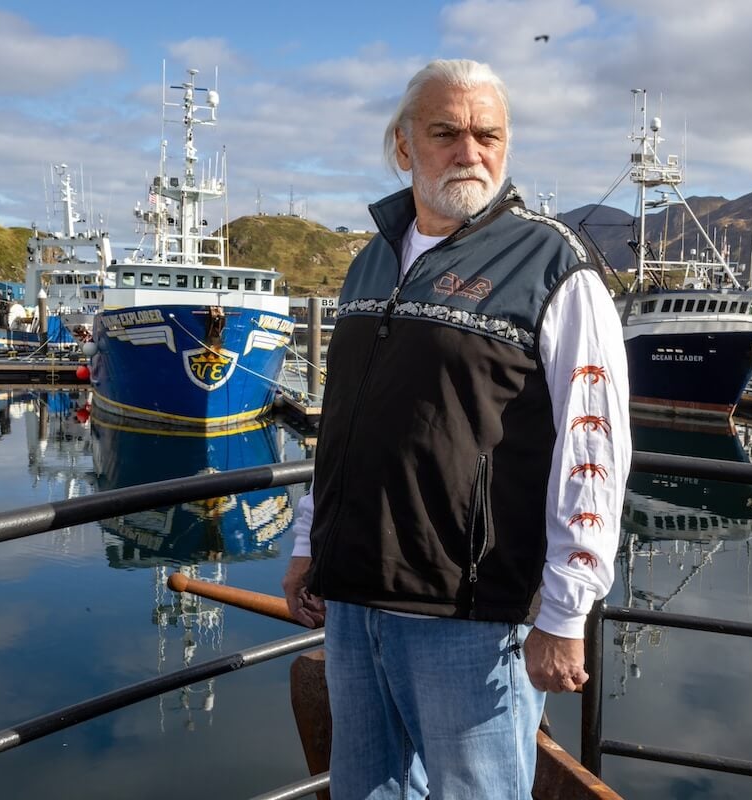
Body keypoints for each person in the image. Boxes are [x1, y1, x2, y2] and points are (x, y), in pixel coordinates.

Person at [282, 58, 631, 800]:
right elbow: (340, 419)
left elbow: (592, 445)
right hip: (352, 602)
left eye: (487, 134)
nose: (469, 152)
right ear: (404, 146)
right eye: (446, 133)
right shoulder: (370, 261)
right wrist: (310, 541)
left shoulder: (555, 268)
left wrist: (568, 610)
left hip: (469, 619)